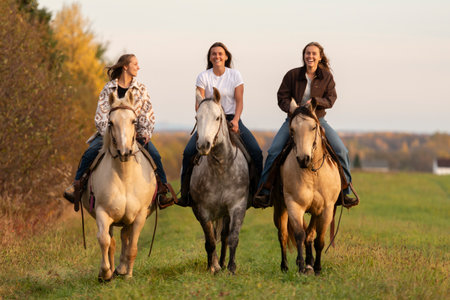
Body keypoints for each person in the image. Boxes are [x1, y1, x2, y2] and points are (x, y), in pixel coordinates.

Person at [253, 42, 359, 208]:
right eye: (307, 53)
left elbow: (331, 98)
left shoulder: (326, 76)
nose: (310, 56)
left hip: (317, 121)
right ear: (304, 56)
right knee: (274, 151)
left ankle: (346, 191)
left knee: (341, 150)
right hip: (293, 121)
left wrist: (316, 101)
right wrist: (291, 108)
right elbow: (282, 97)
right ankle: (264, 190)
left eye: (313, 54)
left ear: (320, 57)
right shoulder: (292, 75)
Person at [63, 54, 174, 209]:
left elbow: (147, 114)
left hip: (135, 135)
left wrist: (144, 132)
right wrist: (109, 134)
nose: (138, 67)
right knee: (91, 152)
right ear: (125, 66)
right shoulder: (108, 89)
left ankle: (162, 190)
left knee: (155, 155)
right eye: (135, 64)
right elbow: (101, 115)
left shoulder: (141, 89)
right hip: (110, 134)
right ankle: (77, 186)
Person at [176, 42, 263, 207]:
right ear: (210, 57)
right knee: (188, 153)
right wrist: (204, 114)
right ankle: (185, 194)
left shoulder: (235, 75)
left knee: (256, 152)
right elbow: (199, 102)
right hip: (210, 119)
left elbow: (239, 101)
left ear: (226, 56)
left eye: (220, 53)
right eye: (213, 54)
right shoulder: (203, 76)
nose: (217, 56)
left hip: (231, 118)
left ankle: (257, 193)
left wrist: (236, 120)